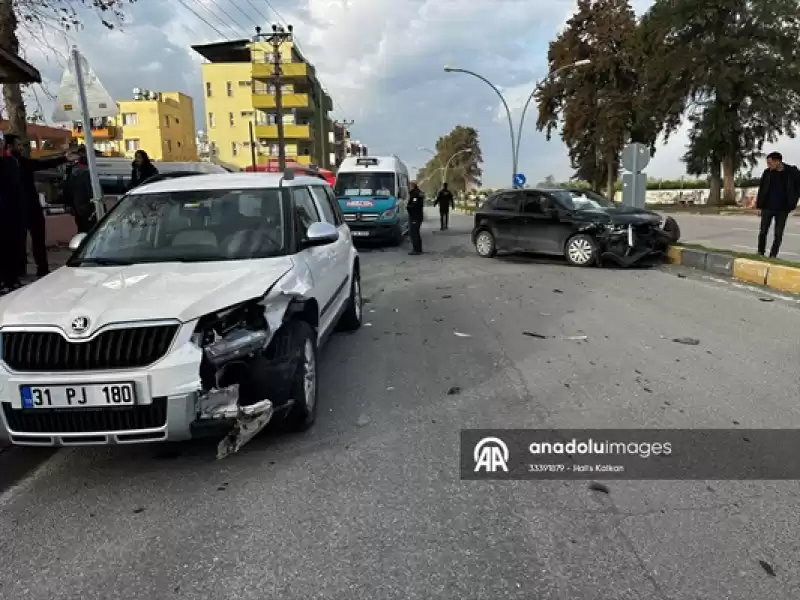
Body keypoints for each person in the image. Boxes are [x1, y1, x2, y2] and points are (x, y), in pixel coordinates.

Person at [3, 133, 71, 279]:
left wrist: (64, 158)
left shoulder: (22, 162)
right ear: (9, 147)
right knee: (17, 241)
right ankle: (18, 271)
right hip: (15, 209)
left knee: (38, 239)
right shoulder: (6, 165)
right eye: (18, 145)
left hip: (32, 207)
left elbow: (41, 163)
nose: (21, 148)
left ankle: (42, 268)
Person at [756, 151, 800, 258]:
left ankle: (773, 255)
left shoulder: (792, 172)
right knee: (763, 232)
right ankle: (760, 253)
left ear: (778, 162)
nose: (768, 165)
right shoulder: (767, 173)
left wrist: (793, 202)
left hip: (783, 209)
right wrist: (759, 206)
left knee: (778, 234)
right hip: (767, 207)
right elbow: (761, 190)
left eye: (770, 163)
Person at [67, 145, 97, 233]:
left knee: (83, 229)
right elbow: (91, 190)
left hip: (80, 206)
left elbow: (68, 188)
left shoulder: (73, 171)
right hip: (86, 206)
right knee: (88, 229)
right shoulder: (86, 171)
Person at [407, 180, 425, 255]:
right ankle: (419, 249)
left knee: (413, 233)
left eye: (410, 185)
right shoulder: (418, 192)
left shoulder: (415, 194)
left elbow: (415, 205)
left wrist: (407, 207)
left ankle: (416, 250)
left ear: (413, 185)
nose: (409, 187)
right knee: (416, 232)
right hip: (417, 215)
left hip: (415, 216)